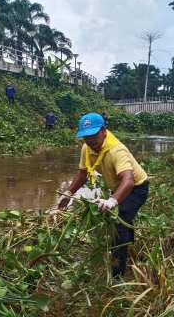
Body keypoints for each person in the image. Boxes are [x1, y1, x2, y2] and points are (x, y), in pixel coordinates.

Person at [57, 113, 149, 278]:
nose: (90, 140)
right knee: (124, 220)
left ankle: (117, 274)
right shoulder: (87, 148)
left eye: (94, 135)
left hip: (136, 188)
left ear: (104, 131)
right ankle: (130, 249)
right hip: (118, 187)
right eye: (86, 136)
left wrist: (113, 201)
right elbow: (83, 173)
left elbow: (128, 181)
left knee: (119, 222)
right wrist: (68, 193)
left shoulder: (116, 150)